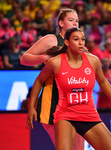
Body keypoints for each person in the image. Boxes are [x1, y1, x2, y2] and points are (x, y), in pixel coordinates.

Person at [27, 27, 111, 150]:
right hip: (65, 116)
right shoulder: (55, 62)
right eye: (76, 39)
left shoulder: (93, 61)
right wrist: (32, 107)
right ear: (67, 42)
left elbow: (102, 81)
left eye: (83, 39)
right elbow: (39, 81)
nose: (81, 42)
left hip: (89, 115)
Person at [20, 8, 84, 150]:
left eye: (77, 21)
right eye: (71, 20)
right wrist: (45, 57)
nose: (75, 23)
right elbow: (24, 59)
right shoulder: (52, 39)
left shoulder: (79, 44)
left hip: (75, 102)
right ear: (61, 23)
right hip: (53, 102)